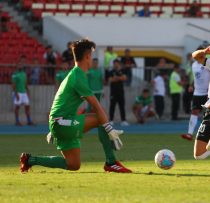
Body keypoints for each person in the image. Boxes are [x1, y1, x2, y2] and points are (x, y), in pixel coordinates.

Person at [20, 39, 131, 173]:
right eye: (92, 56)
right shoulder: (78, 76)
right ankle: (111, 162)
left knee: (73, 164)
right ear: (87, 56)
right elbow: (96, 106)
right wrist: (109, 129)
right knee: (100, 118)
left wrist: (53, 127)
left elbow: (61, 102)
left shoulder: (74, 74)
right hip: (61, 123)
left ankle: (30, 160)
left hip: (60, 122)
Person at [181, 46, 210, 141]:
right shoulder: (193, 65)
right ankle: (190, 134)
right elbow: (195, 77)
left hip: (208, 93)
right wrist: (191, 85)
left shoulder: (208, 64)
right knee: (194, 112)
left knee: (209, 114)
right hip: (197, 92)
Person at [12, 60, 34, 126]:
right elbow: (13, 85)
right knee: (17, 107)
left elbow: (25, 83)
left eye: (21, 65)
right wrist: (16, 94)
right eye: (19, 65)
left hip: (24, 93)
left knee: (27, 106)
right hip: (18, 93)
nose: (20, 66)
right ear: (16, 66)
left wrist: (28, 91)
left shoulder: (24, 74)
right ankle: (17, 121)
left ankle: (29, 121)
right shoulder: (15, 74)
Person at [109, 59, 129, 126]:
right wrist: (119, 78)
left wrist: (116, 78)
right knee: (112, 106)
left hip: (120, 91)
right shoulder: (111, 71)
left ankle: (123, 120)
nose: (115, 65)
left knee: (122, 106)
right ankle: (111, 120)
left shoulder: (123, 71)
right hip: (113, 92)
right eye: (114, 63)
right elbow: (110, 80)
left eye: (117, 63)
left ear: (119, 64)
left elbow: (124, 78)